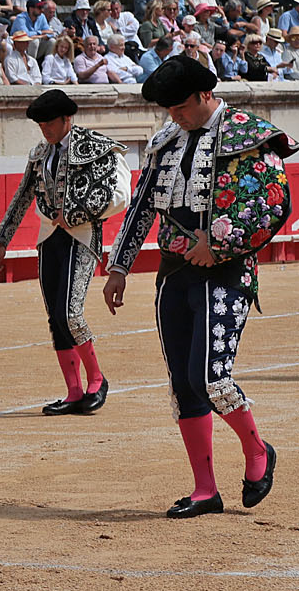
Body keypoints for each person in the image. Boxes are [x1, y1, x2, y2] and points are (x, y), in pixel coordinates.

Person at [104, 56, 288, 518]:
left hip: (225, 273)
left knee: (211, 377)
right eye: (168, 110)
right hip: (173, 274)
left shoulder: (249, 134)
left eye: (181, 107)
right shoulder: (165, 142)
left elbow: (272, 203)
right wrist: (119, 267)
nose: (174, 116)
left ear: (206, 95)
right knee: (183, 383)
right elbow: (142, 207)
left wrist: (220, 244)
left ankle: (258, 450)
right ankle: (205, 490)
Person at [0, 90, 127, 417]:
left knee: (70, 310)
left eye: (49, 122)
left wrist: (76, 214)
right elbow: (22, 197)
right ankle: (74, 391)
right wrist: (1, 242)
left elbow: (115, 192)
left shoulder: (94, 147)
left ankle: (96, 379)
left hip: (80, 236)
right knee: (55, 316)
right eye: (41, 124)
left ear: (67, 118)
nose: (45, 129)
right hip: (49, 236)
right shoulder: (40, 153)